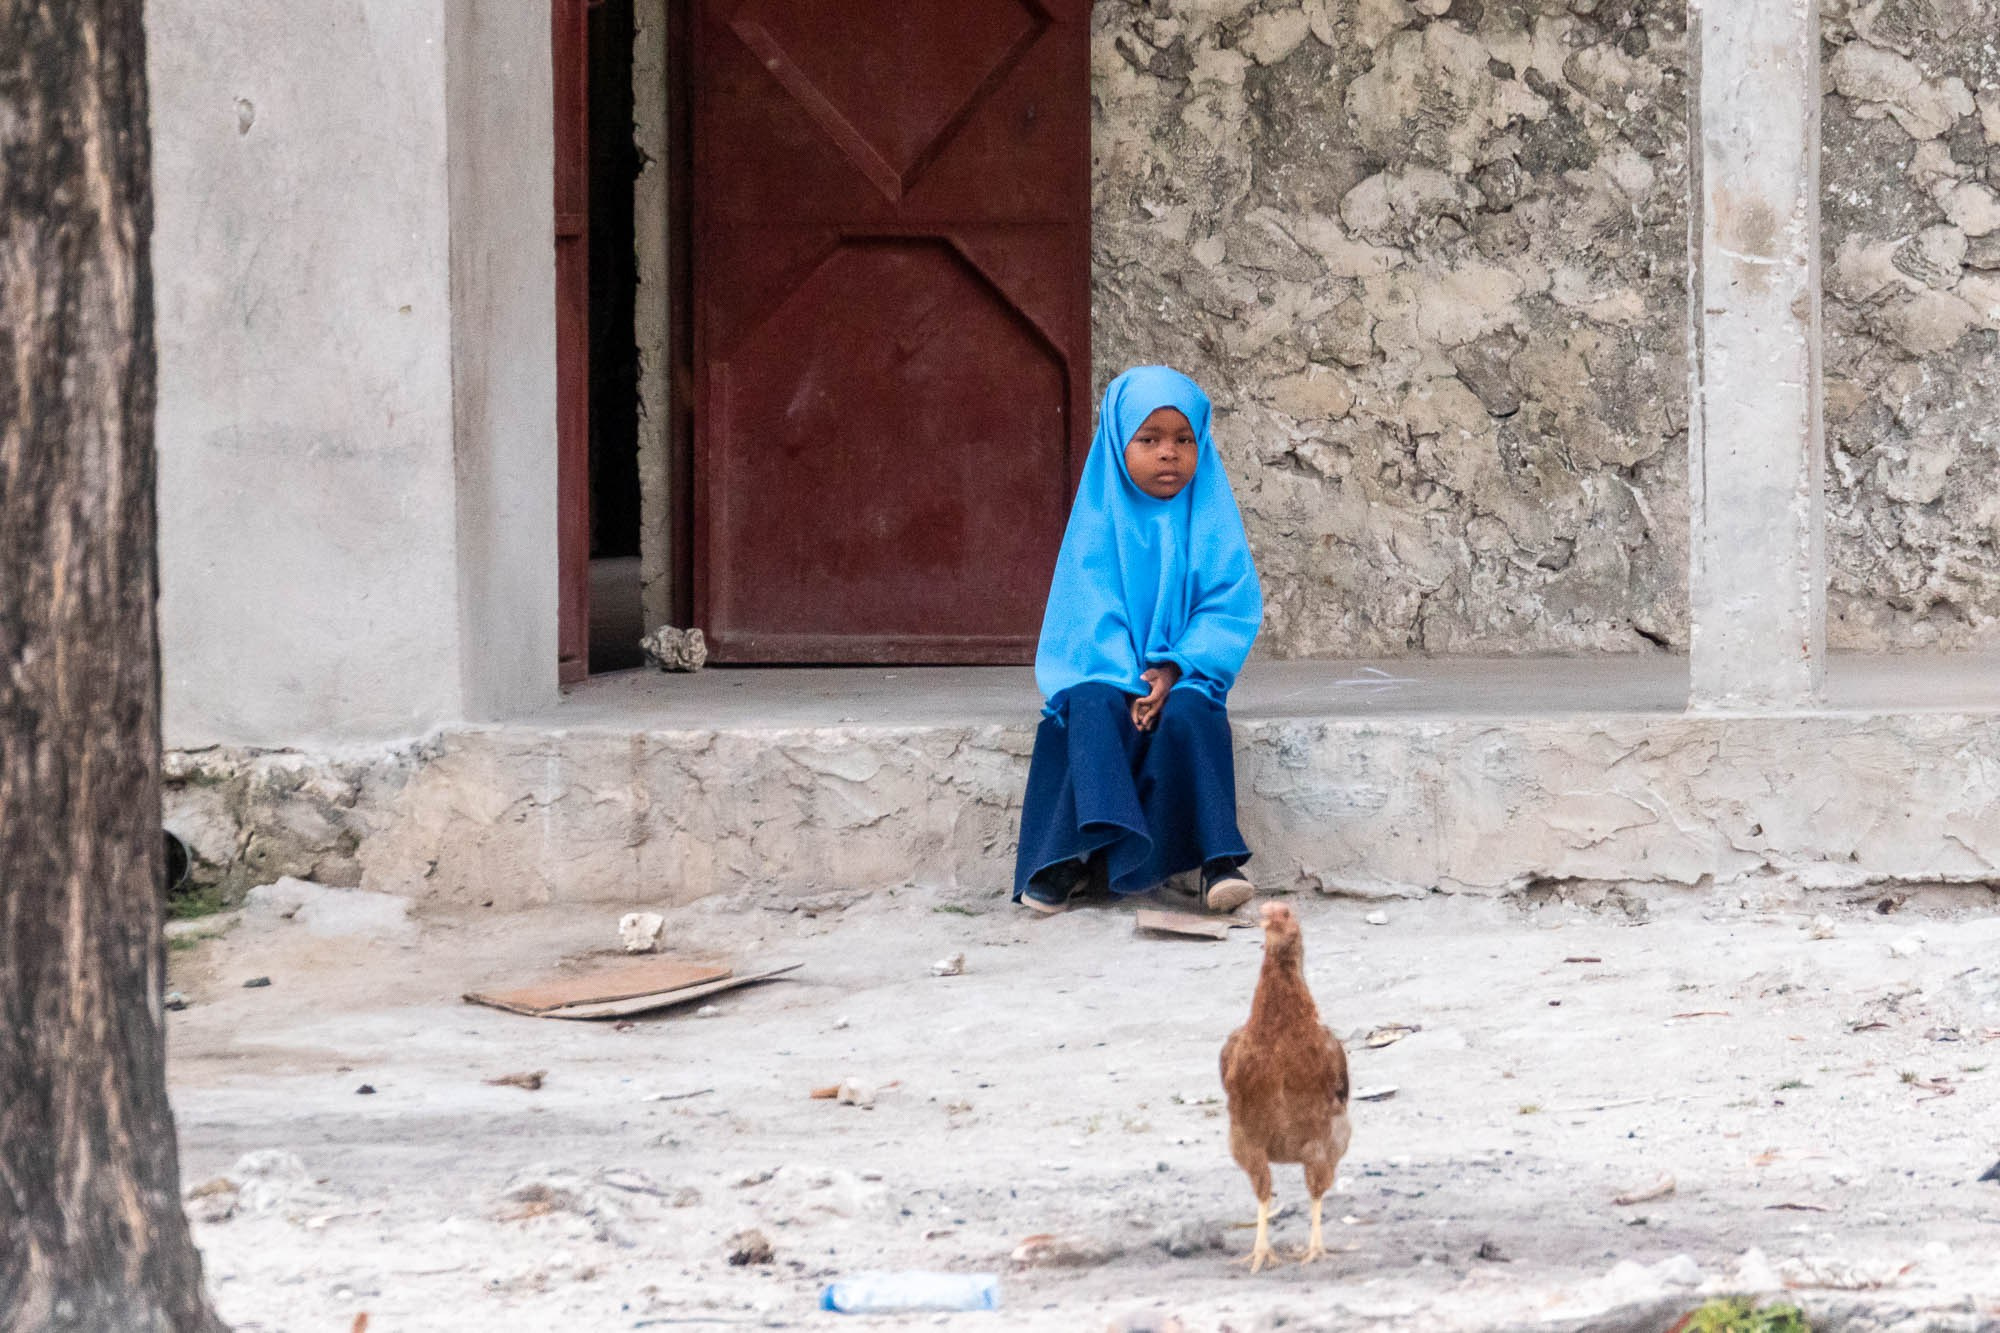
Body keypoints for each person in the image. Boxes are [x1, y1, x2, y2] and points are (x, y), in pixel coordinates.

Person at [1013, 365, 1264, 915]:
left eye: (1183, 440)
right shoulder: (1098, 519)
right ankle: (1069, 856)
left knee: (1192, 714)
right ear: (1116, 442)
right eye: (1148, 440)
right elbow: (1086, 614)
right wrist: (1130, 682)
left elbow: (1229, 605)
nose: (1168, 453)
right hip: (1107, 672)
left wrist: (1174, 670)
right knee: (1088, 708)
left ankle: (1218, 862)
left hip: (1187, 672)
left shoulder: (1211, 516)